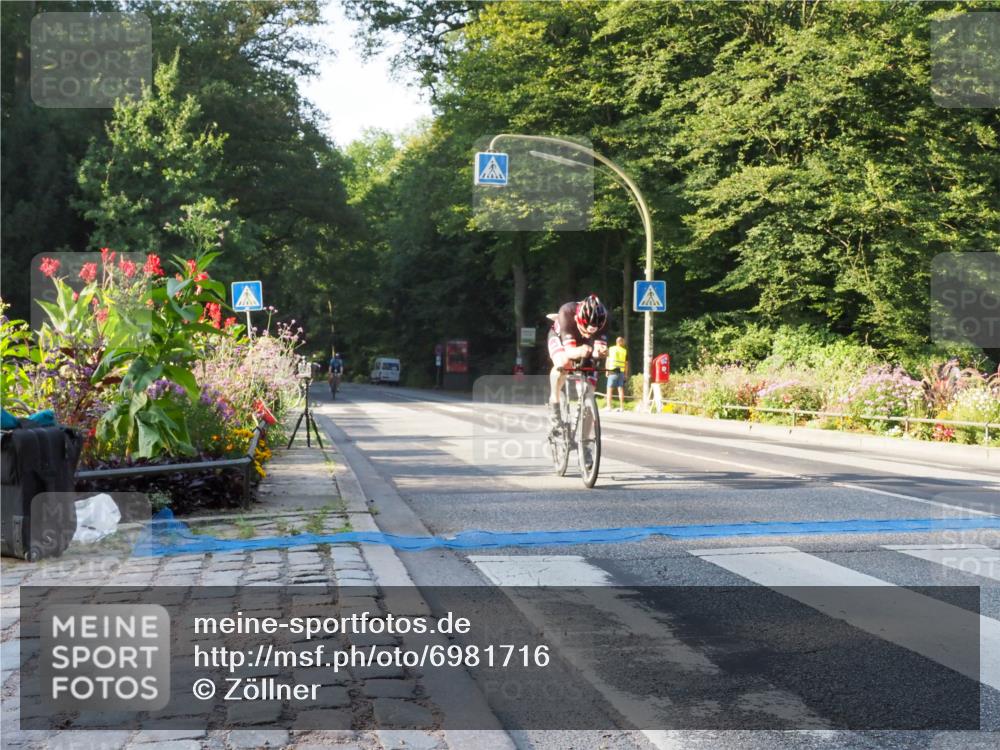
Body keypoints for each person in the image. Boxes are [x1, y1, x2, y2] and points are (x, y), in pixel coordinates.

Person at [547, 294, 609, 433]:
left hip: (585, 346)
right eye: (584, 330)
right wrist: (580, 350)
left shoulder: (603, 319)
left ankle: (586, 443)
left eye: (591, 332)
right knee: (563, 362)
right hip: (560, 339)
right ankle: (555, 402)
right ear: (577, 319)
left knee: (588, 392)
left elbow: (598, 348)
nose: (587, 334)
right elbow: (569, 352)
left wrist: (601, 351)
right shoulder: (567, 312)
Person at [605, 337, 628, 412]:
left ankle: (609, 407)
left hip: (612, 371)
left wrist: (606, 371)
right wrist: (625, 374)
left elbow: (608, 360)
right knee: (620, 389)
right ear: (621, 342)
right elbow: (626, 364)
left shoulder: (611, 349)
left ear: (616, 342)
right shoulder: (624, 351)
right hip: (621, 371)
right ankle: (622, 407)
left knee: (609, 389)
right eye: (623, 342)